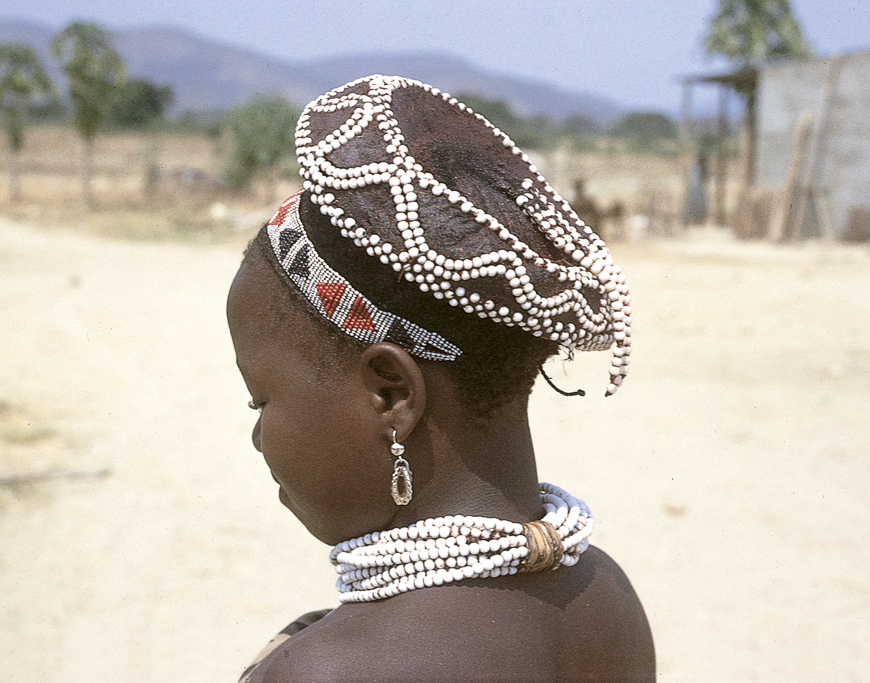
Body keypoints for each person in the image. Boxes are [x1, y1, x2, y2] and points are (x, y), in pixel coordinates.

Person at [227, 75, 653, 682]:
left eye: (259, 400)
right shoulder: (606, 596)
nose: (257, 436)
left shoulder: (332, 670)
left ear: (391, 394)